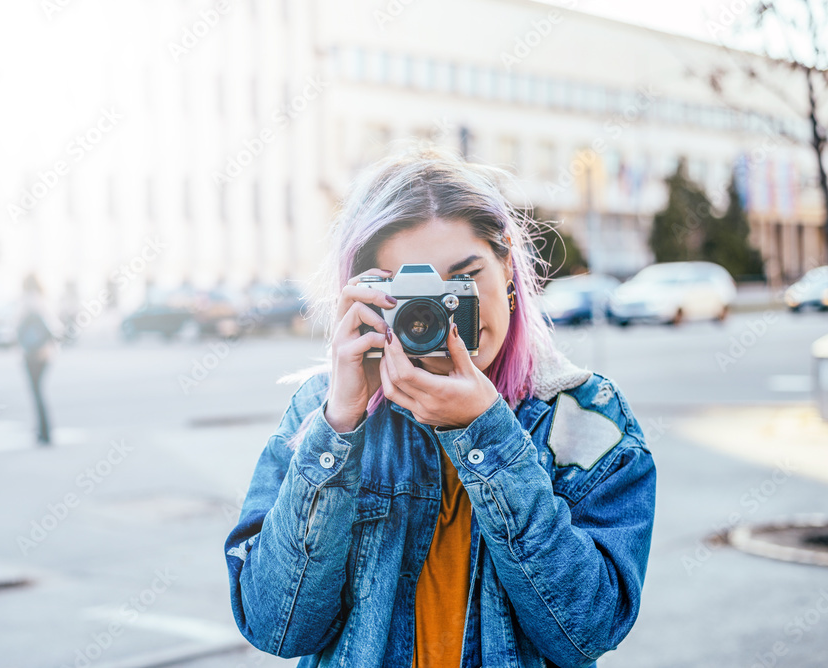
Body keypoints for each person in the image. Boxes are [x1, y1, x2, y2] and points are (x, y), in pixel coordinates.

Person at [223, 144, 657, 667]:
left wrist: (487, 436)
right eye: (412, 293)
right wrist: (338, 426)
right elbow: (276, 626)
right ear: (365, 297)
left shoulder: (583, 418)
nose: (440, 317)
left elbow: (588, 628)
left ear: (510, 274)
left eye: (463, 280)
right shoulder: (325, 410)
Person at [17, 274, 58, 445]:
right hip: (47, 354)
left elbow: (21, 328)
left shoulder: (28, 302)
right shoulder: (44, 300)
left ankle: (43, 432)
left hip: (33, 354)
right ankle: (44, 430)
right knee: (39, 392)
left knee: (36, 393)